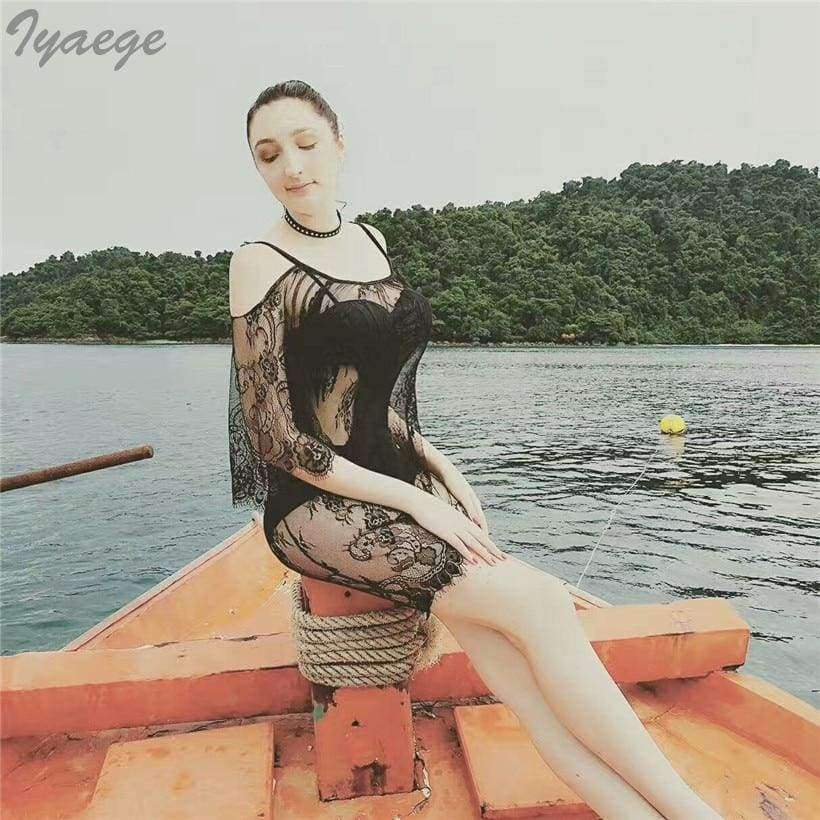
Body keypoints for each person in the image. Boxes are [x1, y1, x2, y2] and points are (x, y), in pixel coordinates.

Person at [227, 80, 722, 820]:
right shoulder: (260, 261)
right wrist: (416, 501)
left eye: (305, 144)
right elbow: (279, 441)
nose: (291, 166)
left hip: (391, 483)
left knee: (521, 674)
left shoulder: (372, 241)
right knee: (543, 602)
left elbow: (369, 404)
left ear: (339, 144)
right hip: (315, 507)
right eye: (269, 155)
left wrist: (444, 470)